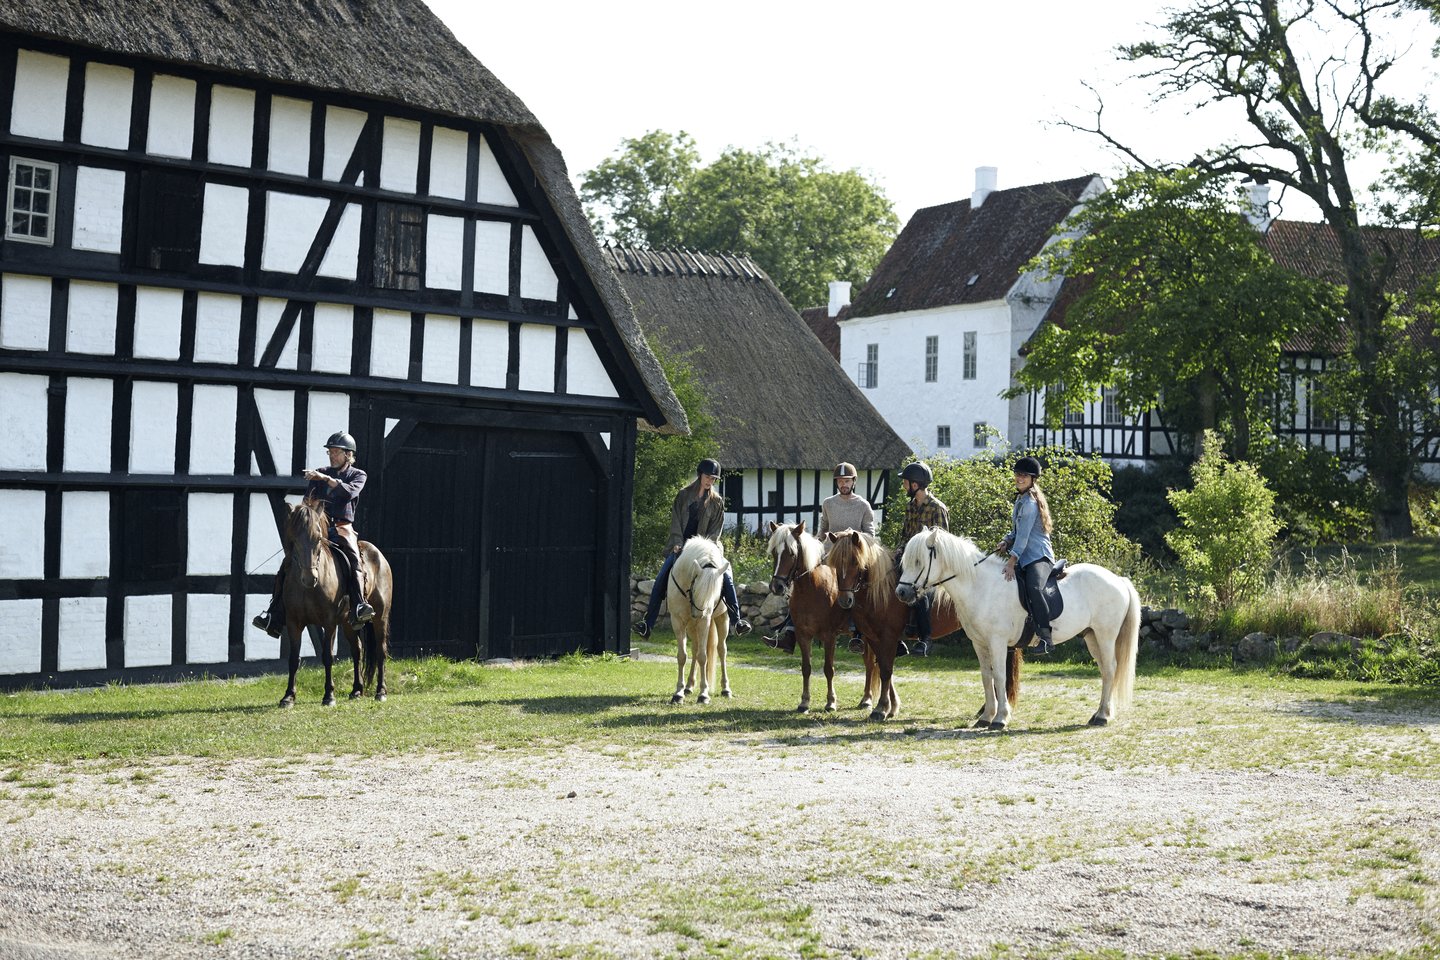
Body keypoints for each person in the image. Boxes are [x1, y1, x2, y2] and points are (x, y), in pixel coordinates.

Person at [252, 431, 376, 637]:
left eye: (335, 452)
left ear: (348, 455)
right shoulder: (319, 474)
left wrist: (325, 479)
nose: (332, 456)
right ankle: (274, 615)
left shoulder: (357, 475)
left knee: (354, 559)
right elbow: (308, 504)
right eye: (330, 452)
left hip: (343, 527)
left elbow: (348, 493)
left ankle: (359, 606)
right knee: (288, 563)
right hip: (318, 528)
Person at [632, 458, 752, 639]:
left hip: (706, 550)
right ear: (699, 475)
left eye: (713, 479)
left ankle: (737, 621)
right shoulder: (683, 495)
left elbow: (715, 531)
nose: (710, 481)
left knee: (726, 576)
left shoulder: (717, 502)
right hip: (681, 548)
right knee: (661, 578)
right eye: (708, 477)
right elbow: (675, 522)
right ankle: (647, 624)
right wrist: (677, 542)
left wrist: (706, 548)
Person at [765, 462, 874, 653]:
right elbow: (823, 530)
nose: (843, 484)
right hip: (828, 556)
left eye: (847, 481)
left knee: (859, 586)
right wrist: (814, 545)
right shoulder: (828, 503)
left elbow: (870, 535)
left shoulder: (863, 505)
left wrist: (850, 536)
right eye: (840, 481)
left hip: (851, 559)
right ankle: (790, 633)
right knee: (802, 584)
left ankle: (858, 633)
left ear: (853, 482)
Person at [996, 455, 1057, 655]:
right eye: (1018, 474)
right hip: (1025, 557)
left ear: (1032, 479)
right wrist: (1006, 540)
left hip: (1039, 556)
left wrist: (1011, 561)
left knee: (1033, 587)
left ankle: (1046, 638)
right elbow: (1016, 531)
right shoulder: (1020, 500)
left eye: (1024, 475)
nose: (1019, 478)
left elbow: (1023, 538)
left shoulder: (1030, 503)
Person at [895, 461, 949, 657]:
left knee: (919, 591)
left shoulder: (937, 508)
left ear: (915, 484)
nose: (904, 486)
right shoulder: (910, 506)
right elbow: (905, 535)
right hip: (909, 559)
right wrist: (899, 550)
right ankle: (896, 636)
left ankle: (925, 639)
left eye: (905, 482)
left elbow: (943, 542)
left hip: (929, 563)